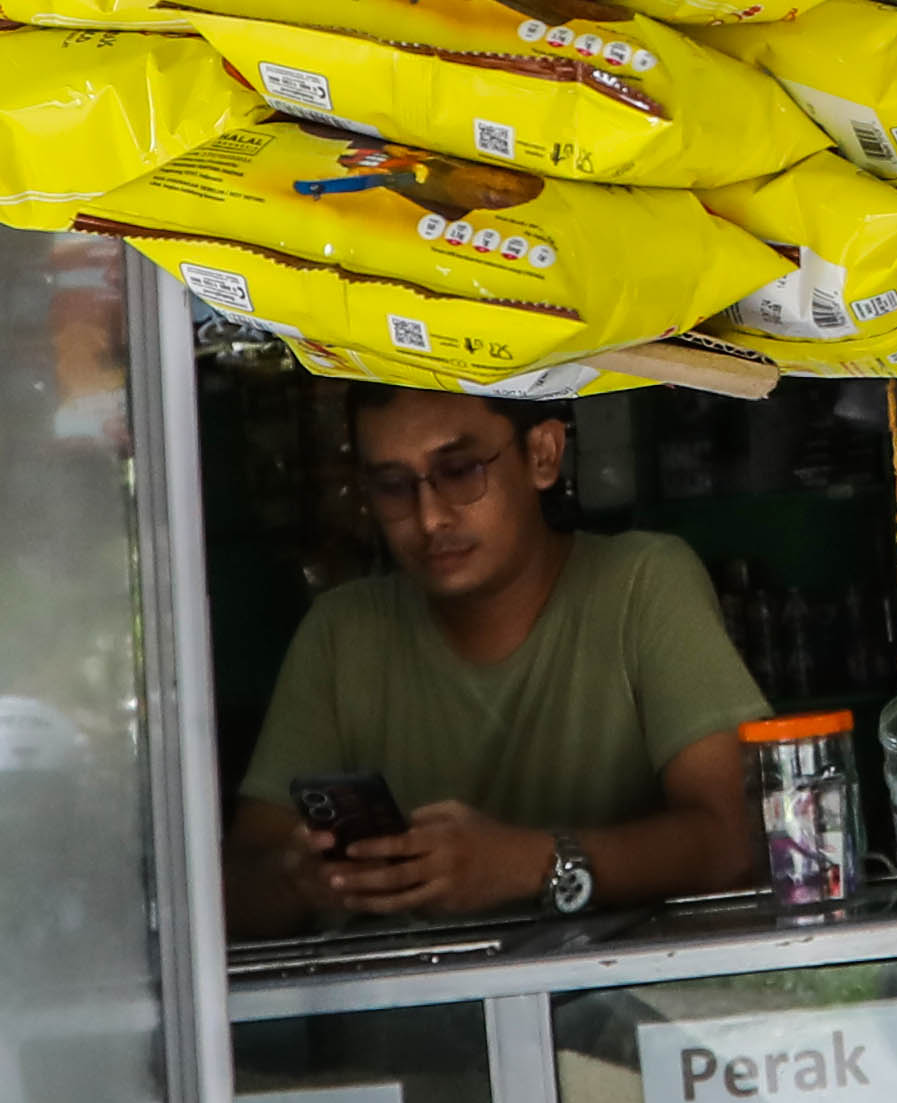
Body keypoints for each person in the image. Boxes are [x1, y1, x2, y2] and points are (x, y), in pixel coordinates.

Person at [221, 379, 770, 929]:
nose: (429, 517)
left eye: (460, 472)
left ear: (543, 455)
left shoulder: (642, 584)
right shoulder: (341, 632)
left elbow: (735, 841)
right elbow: (234, 890)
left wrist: (529, 863)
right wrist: (303, 879)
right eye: (392, 487)